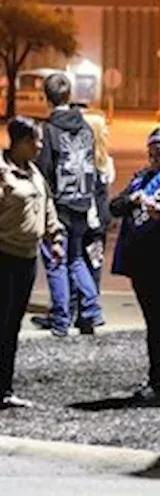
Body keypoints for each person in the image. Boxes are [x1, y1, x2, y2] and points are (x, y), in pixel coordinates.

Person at [109, 128, 160, 405]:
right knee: (155, 325)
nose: (157, 155)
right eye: (152, 149)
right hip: (142, 264)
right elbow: (114, 207)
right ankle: (155, 382)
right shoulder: (141, 179)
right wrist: (133, 199)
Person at [0, 117, 65, 408]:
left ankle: (5, 388)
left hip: (27, 259)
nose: (40, 146)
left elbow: (47, 205)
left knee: (12, 325)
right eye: (35, 141)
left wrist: (56, 237)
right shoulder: (3, 174)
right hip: (3, 257)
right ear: (20, 142)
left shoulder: (34, 172)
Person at [32, 73, 102, 337]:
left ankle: (60, 318)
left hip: (59, 205)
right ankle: (93, 309)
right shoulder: (85, 127)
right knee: (75, 259)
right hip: (82, 202)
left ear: (47, 98)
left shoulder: (49, 130)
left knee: (55, 261)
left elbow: (44, 171)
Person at [82, 112, 114, 295]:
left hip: (85, 218)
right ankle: (92, 301)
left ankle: (83, 304)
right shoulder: (106, 162)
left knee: (77, 261)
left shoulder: (83, 162)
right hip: (100, 222)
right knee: (94, 262)